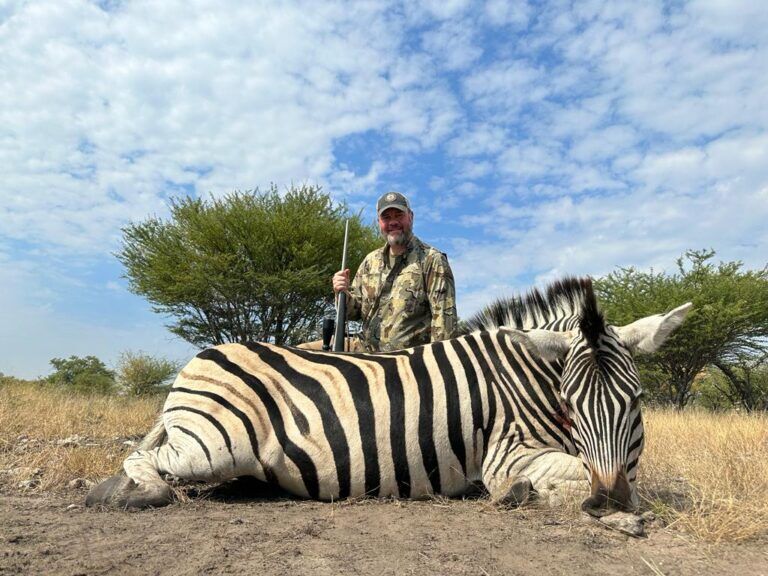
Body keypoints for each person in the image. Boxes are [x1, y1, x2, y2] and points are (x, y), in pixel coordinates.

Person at [332, 191, 457, 352]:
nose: (393, 222)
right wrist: (341, 293)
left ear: (410, 217)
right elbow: (353, 313)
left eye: (399, 215)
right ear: (379, 222)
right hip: (366, 361)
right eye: (386, 218)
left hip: (409, 367)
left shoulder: (432, 260)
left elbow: (445, 328)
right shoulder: (370, 261)